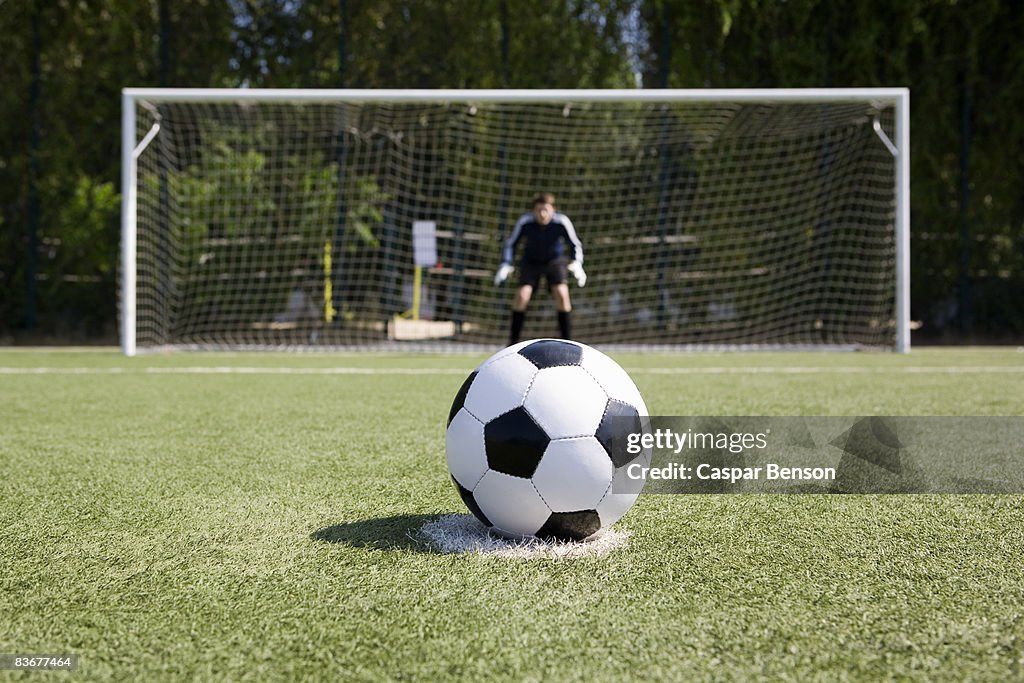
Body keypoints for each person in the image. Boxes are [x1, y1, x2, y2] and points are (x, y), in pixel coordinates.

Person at [494, 192, 586, 344]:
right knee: (522, 296)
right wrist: (506, 263)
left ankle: (568, 343)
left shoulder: (561, 222)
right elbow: (511, 244)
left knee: (562, 295)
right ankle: (512, 343)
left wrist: (577, 263)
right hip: (531, 262)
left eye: (546, 210)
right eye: (538, 210)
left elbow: (574, 243)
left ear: (553, 210)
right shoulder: (525, 222)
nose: (542, 214)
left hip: (554, 260)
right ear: (533, 211)